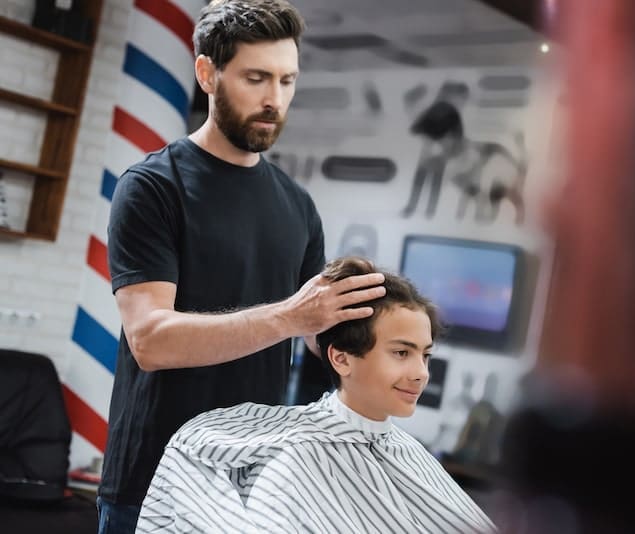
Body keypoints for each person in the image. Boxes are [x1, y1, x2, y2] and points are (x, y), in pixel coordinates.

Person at [99, 2, 385, 532]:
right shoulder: (153, 188)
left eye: (287, 80)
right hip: (154, 481)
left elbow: (318, 332)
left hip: (249, 485)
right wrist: (292, 318)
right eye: (256, 78)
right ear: (208, 73)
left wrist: (383, 351)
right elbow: (152, 341)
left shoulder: (297, 206)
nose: (274, 99)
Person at [136, 257, 498, 534]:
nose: (421, 372)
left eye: (425, 354)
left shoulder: (409, 454)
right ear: (342, 358)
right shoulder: (295, 456)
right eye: (402, 353)